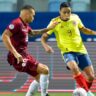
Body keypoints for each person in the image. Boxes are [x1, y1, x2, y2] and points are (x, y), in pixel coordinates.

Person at [2, 5, 59, 96]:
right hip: (17, 57)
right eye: (33, 15)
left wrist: (49, 28)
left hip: (24, 55)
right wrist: (16, 53)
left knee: (40, 78)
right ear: (27, 14)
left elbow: (34, 33)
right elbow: (5, 36)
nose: (33, 17)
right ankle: (45, 94)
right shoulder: (16, 23)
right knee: (45, 69)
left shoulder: (25, 25)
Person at [41, 2, 95, 96]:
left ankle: (82, 92)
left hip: (81, 50)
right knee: (74, 67)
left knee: (91, 77)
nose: (67, 14)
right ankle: (88, 93)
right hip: (67, 52)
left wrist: (94, 32)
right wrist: (46, 46)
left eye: (68, 12)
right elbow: (44, 37)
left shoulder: (75, 17)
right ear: (60, 12)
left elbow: (84, 29)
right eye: (64, 12)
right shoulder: (54, 22)